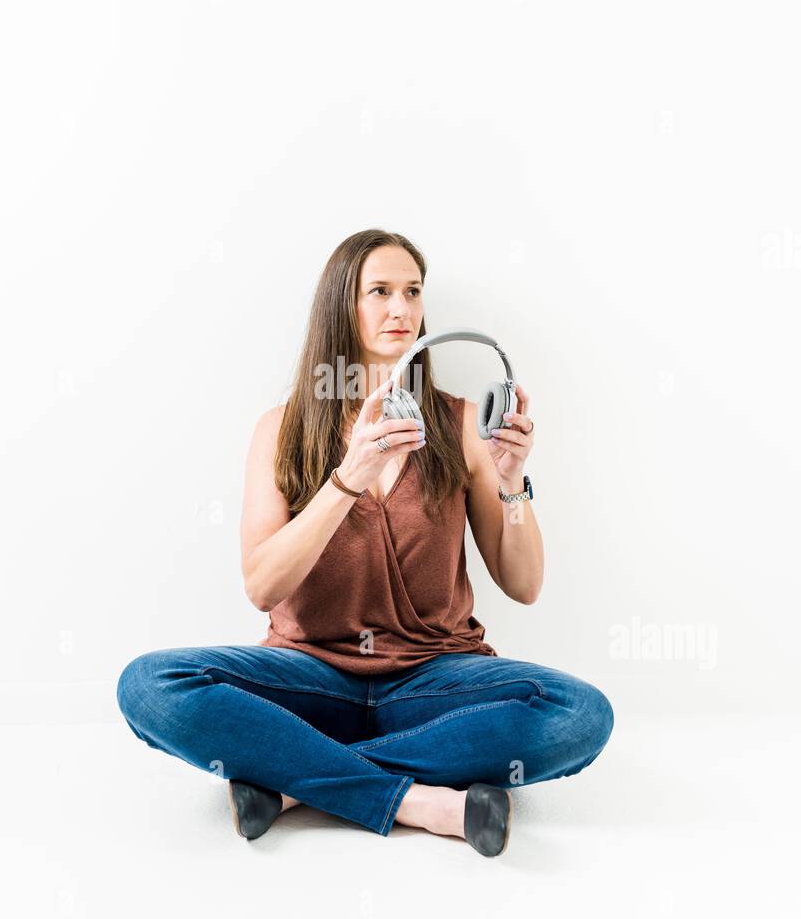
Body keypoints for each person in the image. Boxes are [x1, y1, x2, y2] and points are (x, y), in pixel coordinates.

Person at [116, 228, 614, 857]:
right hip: (310, 681)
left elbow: (524, 584)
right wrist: (345, 480)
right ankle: (420, 802)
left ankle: (298, 779)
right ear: (340, 307)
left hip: (432, 685)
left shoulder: (459, 424)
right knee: (149, 684)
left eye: (412, 291)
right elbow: (261, 586)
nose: (402, 310)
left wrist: (513, 484)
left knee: (579, 714)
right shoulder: (281, 430)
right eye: (379, 291)